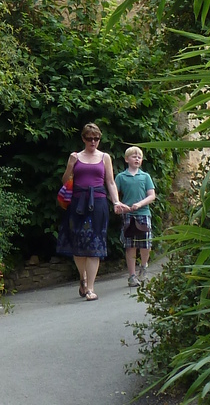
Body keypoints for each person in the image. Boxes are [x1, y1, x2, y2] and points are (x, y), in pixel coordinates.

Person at [57, 124, 119, 301]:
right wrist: (70, 165)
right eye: (89, 138)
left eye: (96, 139)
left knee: (95, 242)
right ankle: (83, 278)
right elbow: (64, 181)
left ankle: (90, 288)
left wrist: (116, 202)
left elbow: (111, 182)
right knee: (78, 242)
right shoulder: (76, 157)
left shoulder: (105, 157)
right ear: (83, 139)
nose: (93, 142)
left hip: (98, 201)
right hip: (77, 201)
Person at [114, 146, 156, 288]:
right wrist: (119, 205)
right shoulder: (121, 177)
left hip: (143, 214)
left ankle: (143, 267)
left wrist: (139, 204)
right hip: (128, 216)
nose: (137, 158)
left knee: (145, 244)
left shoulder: (145, 176)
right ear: (126, 159)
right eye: (134, 156)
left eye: (139, 157)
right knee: (130, 245)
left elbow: (151, 196)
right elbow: (114, 194)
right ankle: (132, 276)